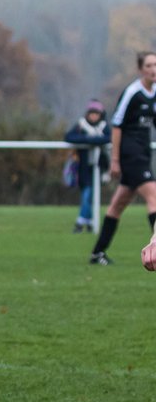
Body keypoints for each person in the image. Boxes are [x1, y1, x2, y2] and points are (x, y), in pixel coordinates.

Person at [90, 52, 156, 264]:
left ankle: (97, 253)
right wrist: (115, 159)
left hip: (143, 152)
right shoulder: (132, 92)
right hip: (130, 153)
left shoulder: (154, 92)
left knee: (118, 204)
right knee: (154, 197)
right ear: (140, 69)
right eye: (149, 65)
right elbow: (116, 126)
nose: (153, 69)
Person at [64, 100, 110, 233]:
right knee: (87, 194)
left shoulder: (104, 126)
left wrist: (90, 140)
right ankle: (86, 222)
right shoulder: (81, 125)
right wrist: (91, 140)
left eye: (96, 114)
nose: (94, 116)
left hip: (98, 167)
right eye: (92, 113)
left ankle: (83, 222)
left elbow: (108, 138)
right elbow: (69, 137)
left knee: (90, 195)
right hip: (83, 167)